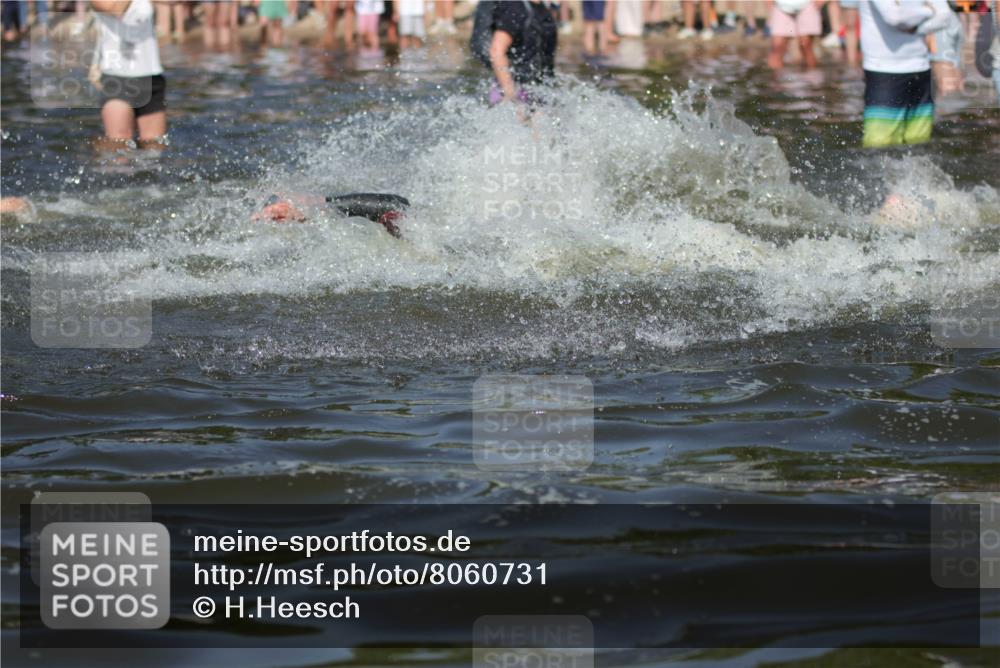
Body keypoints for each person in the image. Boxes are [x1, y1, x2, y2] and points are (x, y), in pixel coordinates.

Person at [859, 0, 953, 147]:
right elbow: (894, 17)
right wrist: (929, 11)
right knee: (878, 146)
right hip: (883, 70)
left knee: (919, 143)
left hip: (921, 67)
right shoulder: (925, 10)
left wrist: (916, 29)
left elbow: (945, 16)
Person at [91, 0, 167, 149]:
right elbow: (116, 10)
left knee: (154, 146)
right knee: (119, 144)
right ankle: (95, 152)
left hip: (150, 74)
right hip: (116, 76)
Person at [488, 0, 558, 106]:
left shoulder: (542, 7)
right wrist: (510, 93)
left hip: (539, 87)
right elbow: (496, 51)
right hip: (517, 89)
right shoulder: (515, 7)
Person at [767, 0, 823, 69]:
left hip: (807, 5)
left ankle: (812, 73)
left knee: (805, 45)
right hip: (780, 6)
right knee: (777, 47)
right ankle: (775, 74)